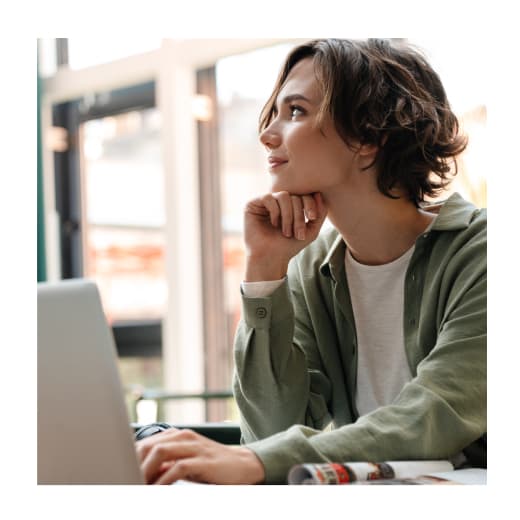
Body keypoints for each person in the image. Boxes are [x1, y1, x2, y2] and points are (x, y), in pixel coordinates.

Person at [135, 38, 486, 485]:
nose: (267, 134)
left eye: (296, 111)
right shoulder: (313, 267)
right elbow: (270, 428)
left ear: (368, 137)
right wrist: (264, 271)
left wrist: (258, 462)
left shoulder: (484, 252)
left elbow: (436, 413)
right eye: (275, 113)